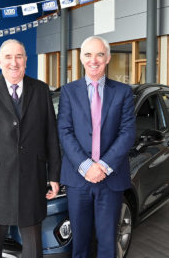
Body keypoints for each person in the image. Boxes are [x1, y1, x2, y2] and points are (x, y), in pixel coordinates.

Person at [0, 39, 61, 258]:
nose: (14, 62)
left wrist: (54, 175)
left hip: (33, 179)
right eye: (8, 57)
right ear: (0, 61)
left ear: (26, 60)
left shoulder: (40, 90)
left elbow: (51, 135)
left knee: (33, 247)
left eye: (19, 56)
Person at [57, 36, 135, 258]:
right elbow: (64, 131)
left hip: (111, 179)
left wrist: (103, 166)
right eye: (88, 55)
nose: (94, 60)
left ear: (108, 58)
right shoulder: (69, 91)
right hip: (77, 179)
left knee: (108, 242)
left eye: (100, 54)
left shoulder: (123, 92)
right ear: (81, 58)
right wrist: (86, 166)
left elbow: (127, 133)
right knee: (79, 243)